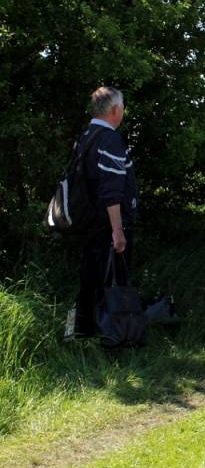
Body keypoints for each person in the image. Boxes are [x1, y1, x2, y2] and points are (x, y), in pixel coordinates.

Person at [74, 87, 138, 337]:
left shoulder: (86, 136)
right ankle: (114, 336)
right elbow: (111, 191)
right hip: (107, 226)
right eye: (122, 107)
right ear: (115, 110)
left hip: (89, 223)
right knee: (112, 282)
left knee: (90, 278)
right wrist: (118, 230)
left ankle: (83, 331)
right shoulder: (109, 139)